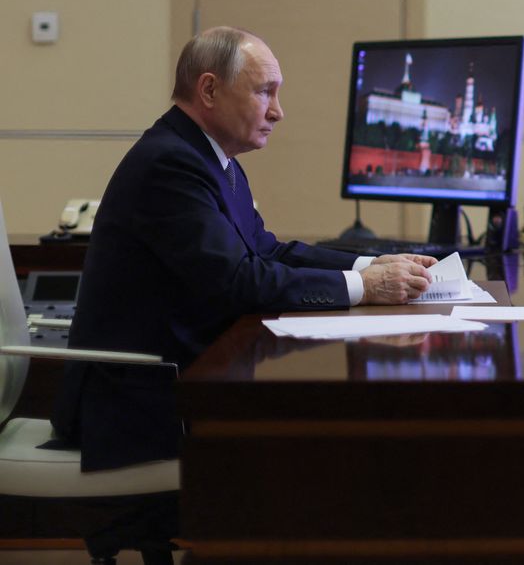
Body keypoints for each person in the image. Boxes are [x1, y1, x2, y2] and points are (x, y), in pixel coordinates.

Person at [53, 27, 435, 471]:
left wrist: (371, 264)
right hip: (139, 403)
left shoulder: (212, 159)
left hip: (182, 378)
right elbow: (237, 281)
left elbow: (265, 251)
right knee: (324, 449)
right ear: (210, 89)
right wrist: (363, 287)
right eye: (264, 92)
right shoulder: (170, 164)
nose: (278, 112)